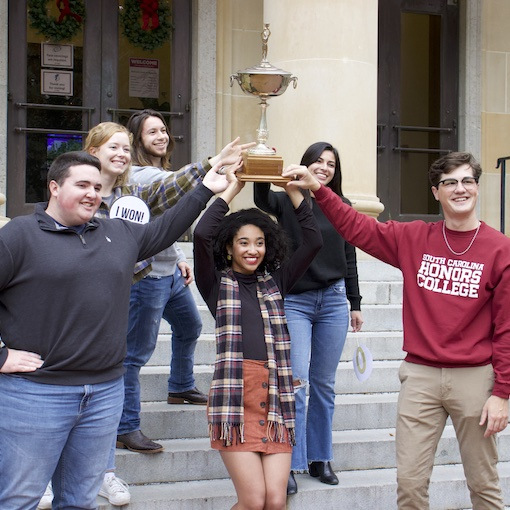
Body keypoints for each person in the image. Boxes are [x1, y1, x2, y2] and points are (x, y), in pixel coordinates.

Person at [0, 151, 230, 509]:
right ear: (55, 188)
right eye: (82, 185)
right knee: (19, 500)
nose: (92, 193)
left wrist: (205, 189)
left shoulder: (118, 233)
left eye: (97, 186)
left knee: (80, 500)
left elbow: (167, 226)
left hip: (104, 394)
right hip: (36, 394)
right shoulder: (18, 236)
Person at [283, 152, 510, 510]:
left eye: (467, 181)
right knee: (409, 484)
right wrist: (319, 190)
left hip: (474, 378)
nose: (460, 189)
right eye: (450, 182)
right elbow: (358, 227)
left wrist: (502, 392)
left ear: (477, 188)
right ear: (436, 192)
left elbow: (506, 328)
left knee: (483, 485)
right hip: (420, 377)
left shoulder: (500, 249)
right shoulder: (415, 238)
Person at [193, 168, 323, 509]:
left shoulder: (275, 282)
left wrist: (293, 192)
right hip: (236, 398)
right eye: (244, 242)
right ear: (230, 248)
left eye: (260, 242)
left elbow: (313, 241)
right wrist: (234, 187)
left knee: (276, 502)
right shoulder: (216, 284)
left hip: (277, 396)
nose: (253, 250)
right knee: (253, 501)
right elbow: (202, 234)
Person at [254, 142, 363, 494]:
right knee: (296, 382)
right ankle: (288, 462)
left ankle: (319, 457)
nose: (325, 167)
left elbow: (350, 257)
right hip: (296, 302)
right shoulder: (287, 199)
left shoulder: (341, 206)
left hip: (332, 302)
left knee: (324, 384)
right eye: (318, 161)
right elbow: (262, 200)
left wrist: (355, 302)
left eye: (331, 163)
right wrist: (266, 161)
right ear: (306, 165)